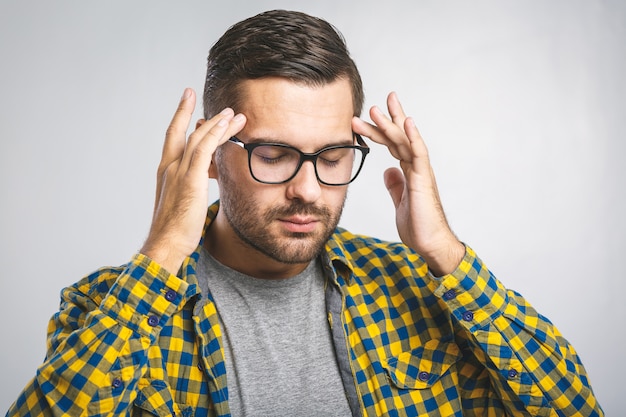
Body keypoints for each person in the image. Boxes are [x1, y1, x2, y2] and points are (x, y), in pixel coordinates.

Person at [7, 9, 603, 417]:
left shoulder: (426, 286)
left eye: (334, 155)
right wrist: (162, 253)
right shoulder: (105, 310)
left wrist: (445, 252)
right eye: (274, 155)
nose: (309, 190)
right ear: (209, 159)